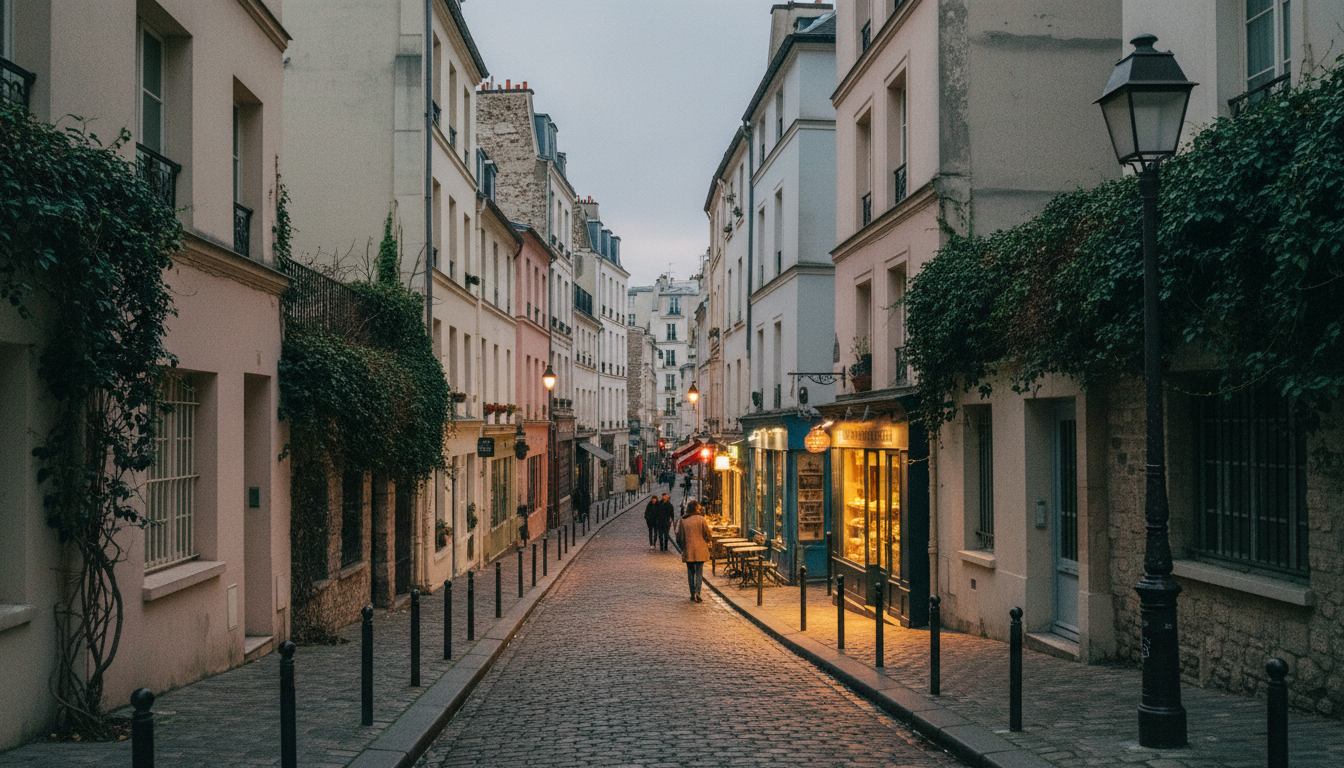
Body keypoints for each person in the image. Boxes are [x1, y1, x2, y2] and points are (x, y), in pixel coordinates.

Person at [676, 500, 713, 602]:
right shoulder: (701, 519)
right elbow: (707, 534)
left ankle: (692, 593)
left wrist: (683, 547)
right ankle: (698, 592)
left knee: (691, 572)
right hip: (700, 549)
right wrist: (708, 540)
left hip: (688, 550)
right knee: (699, 572)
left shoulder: (683, 520)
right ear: (696, 508)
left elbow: (679, 537)